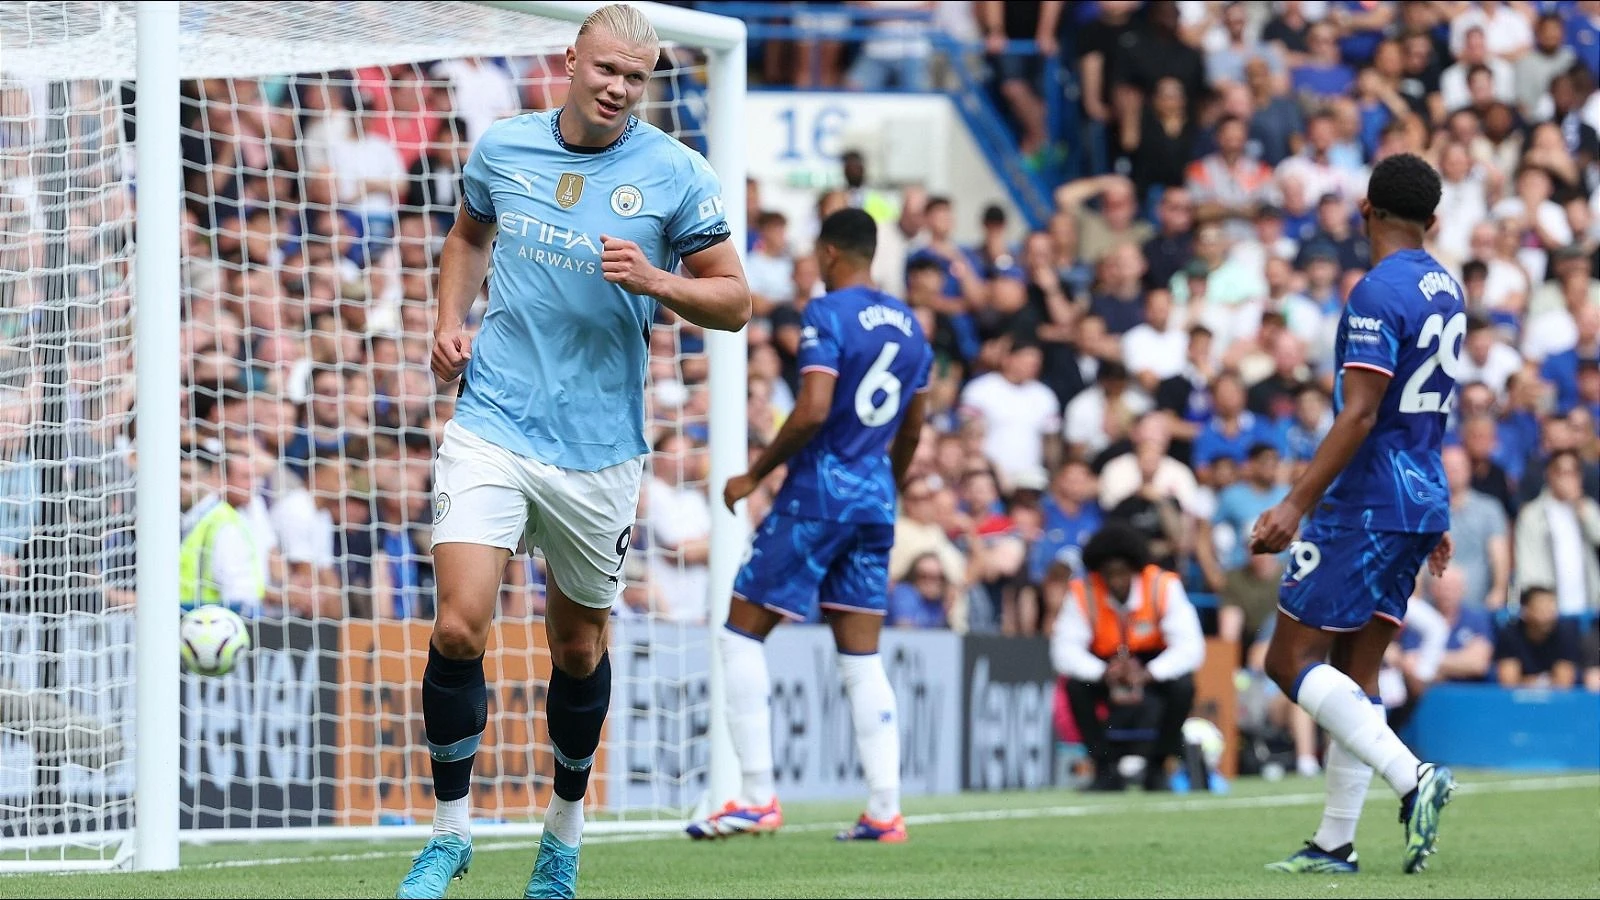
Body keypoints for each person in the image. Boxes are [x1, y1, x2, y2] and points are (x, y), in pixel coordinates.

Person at [395, 6, 752, 899]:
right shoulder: (505, 148)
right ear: (571, 60)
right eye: (606, 70)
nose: (618, 88)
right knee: (457, 625)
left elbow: (736, 299)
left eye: (636, 78)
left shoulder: (677, 175)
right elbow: (469, 236)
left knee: (579, 650)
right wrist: (448, 322)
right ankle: (450, 834)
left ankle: (562, 833)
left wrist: (661, 280)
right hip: (494, 423)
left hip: (599, 452)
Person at [683, 208, 933, 844]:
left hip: (818, 495)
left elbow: (814, 407)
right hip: (874, 500)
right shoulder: (912, 327)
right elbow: (912, 428)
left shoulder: (826, 314)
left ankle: (758, 796)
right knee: (861, 655)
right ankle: (884, 809)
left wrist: (754, 472)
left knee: (741, 634)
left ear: (827, 253)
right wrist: (887, 487)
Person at [1249, 153, 1461, 876]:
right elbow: (1425, 411)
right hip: (1418, 493)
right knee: (1355, 671)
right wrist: (1435, 508)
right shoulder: (1447, 287)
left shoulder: (1377, 291)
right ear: (1431, 221)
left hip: (1370, 500)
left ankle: (1414, 778)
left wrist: (1294, 504)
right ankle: (1336, 844)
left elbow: (1363, 412)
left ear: (1366, 210)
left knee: (1288, 660)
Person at [1049, 523, 1204, 792]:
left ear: (1135, 569)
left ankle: (1157, 766)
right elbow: (1063, 650)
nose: (1116, 581)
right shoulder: (1083, 592)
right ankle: (1104, 767)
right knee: (1075, 687)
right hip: (1106, 667)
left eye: (1123, 573)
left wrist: (1149, 673)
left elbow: (1190, 647)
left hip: (1151, 665)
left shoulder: (1162, 585)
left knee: (1184, 687)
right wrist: (1103, 673)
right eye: (1109, 574)